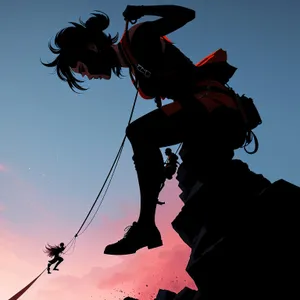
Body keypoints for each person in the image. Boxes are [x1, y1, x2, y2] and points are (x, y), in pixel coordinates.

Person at [42, 5, 257, 255]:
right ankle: (152, 226)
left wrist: (144, 10)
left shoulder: (138, 36)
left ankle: (145, 226)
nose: (87, 76)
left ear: (90, 49)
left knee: (138, 131)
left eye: (80, 68)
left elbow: (186, 15)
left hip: (216, 109)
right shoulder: (135, 67)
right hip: (204, 118)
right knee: (188, 165)